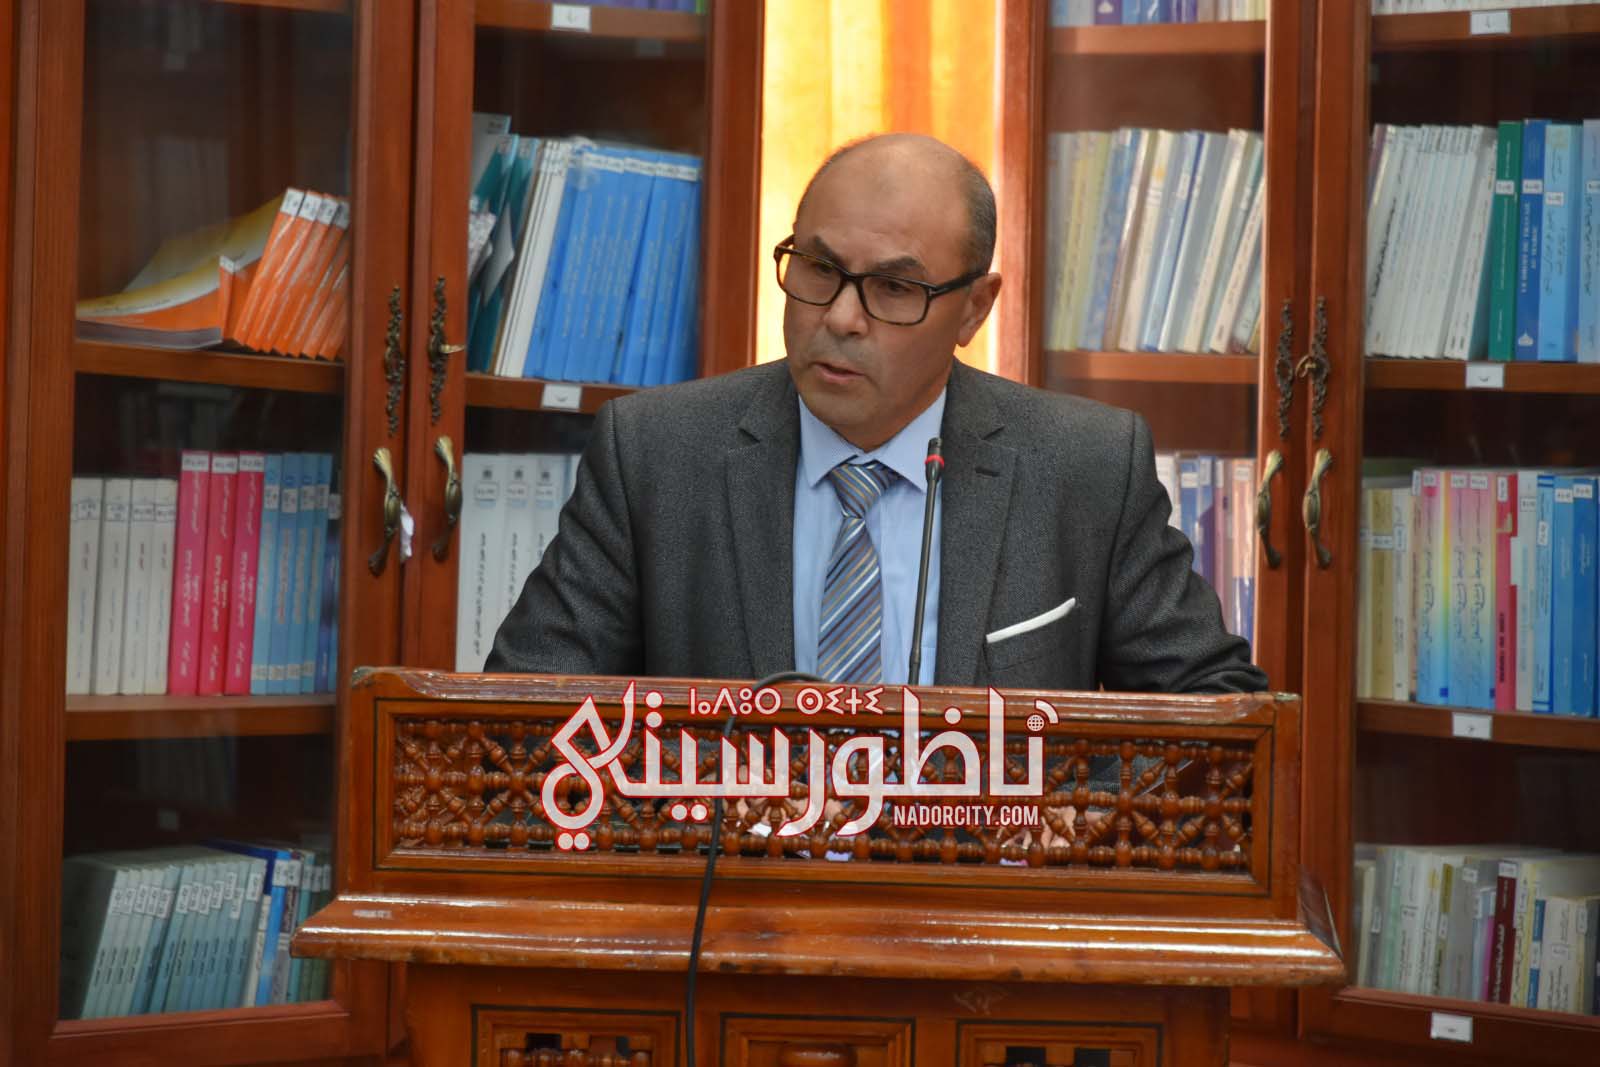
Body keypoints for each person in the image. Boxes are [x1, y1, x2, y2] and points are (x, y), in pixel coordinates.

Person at [487, 133, 1267, 694]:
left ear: (973, 309)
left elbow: (1218, 708)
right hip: (731, 879)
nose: (840, 317)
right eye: (819, 269)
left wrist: (1072, 823)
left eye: (894, 288)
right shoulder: (656, 454)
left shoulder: (1085, 467)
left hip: (981, 880)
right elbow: (522, 713)